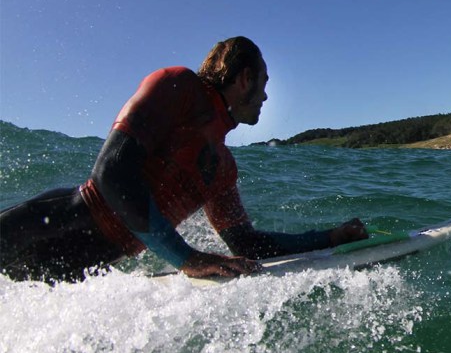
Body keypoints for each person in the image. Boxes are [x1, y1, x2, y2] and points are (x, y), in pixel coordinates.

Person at [0, 36, 368, 283]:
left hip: (81, 268)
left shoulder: (222, 167)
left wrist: (330, 237)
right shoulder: (178, 87)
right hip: (38, 229)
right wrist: (186, 259)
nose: (266, 97)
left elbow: (245, 244)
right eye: (264, 83)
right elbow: (112, 172)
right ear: (244, 79)